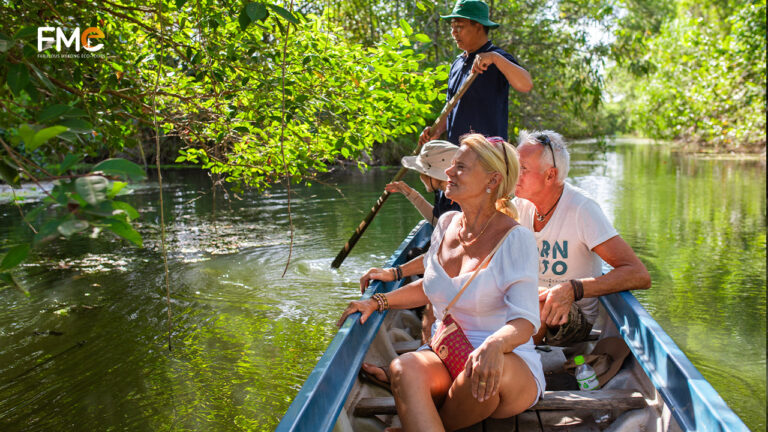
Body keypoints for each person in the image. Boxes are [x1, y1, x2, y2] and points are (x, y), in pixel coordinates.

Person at [339, 134, 544, 431]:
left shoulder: (516, 239)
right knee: (402, 367)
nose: (448, 171)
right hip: (446, 353)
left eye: (460, 167)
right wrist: (377, 301)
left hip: (505, 361)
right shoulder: (446, 223)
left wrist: (494, 345)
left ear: (492, 180)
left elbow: (525, 321)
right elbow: (431, 287)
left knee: (479, 375)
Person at [513, 130, 651, 345]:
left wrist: (573, 289)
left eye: (522, 169)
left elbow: (638, 275)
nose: (514, 174)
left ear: (550, 175)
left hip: (571, 317)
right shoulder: (518, 206)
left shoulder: (582, 210)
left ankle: (520, 368)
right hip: (528, 301)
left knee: (535, 307)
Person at [419, 0, 533, 146]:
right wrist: (436, 129)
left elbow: (526, 85)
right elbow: (452, 105)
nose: (454, 32)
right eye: (452, 27)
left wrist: (494, 58)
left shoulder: (497, 57)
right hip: (458, 153)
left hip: (488, 155)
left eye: (459, 27)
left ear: (479, 26)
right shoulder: (458, 63)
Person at [385, 140, 461, 226]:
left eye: (422, 171)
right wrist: (410, 193)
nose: (420, 176)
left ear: (432, 174)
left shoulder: (463, 200)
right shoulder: (444, 193)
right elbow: (438, 223)